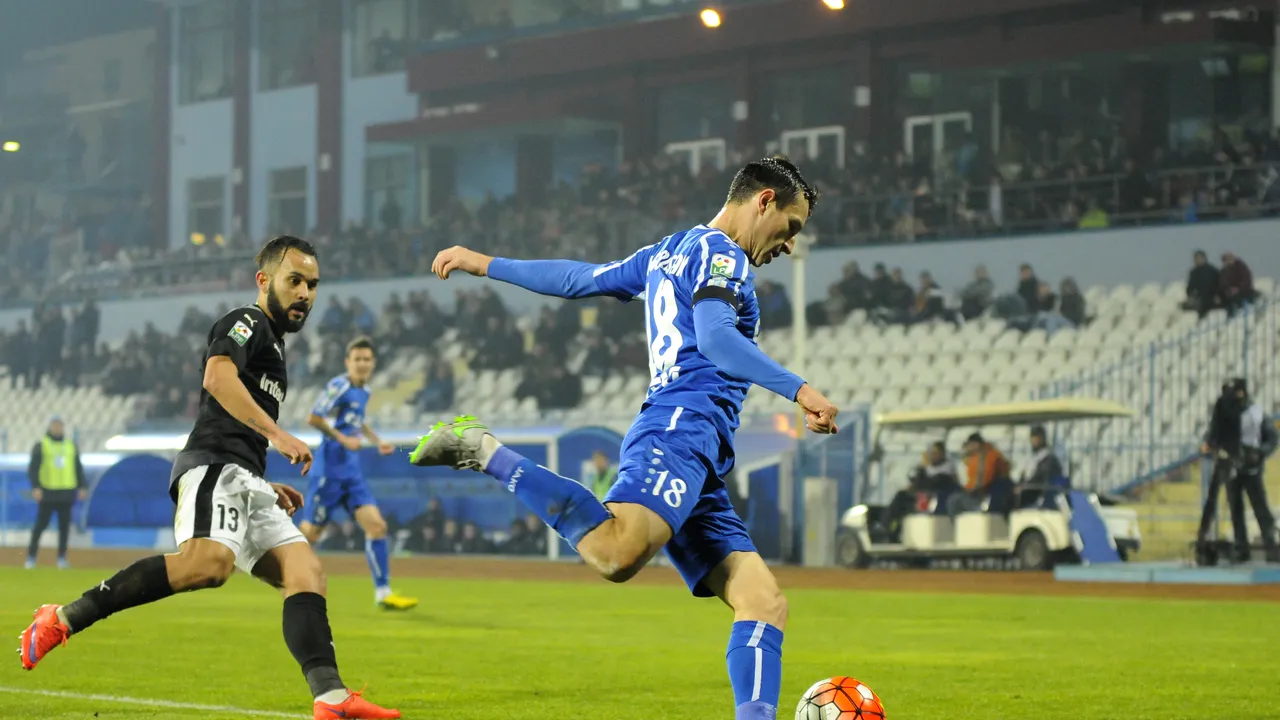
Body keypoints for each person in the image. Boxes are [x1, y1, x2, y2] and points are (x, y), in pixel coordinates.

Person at [410, 156, 839, 720]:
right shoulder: (721, 257)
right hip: (680, 426)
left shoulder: (669, 251)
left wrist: (483, 262)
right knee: (615, 554)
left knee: (763, 602)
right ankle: (483, 451)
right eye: (791, 227)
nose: (789, 245)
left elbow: (576, 279)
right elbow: (715, 340)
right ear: (764, 201)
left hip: (701, 451)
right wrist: (800, 389)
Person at [17, 236, 400, 720]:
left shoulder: (276, 349)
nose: (305, 292)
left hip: (246, 475)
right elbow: (218, 379)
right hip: (213, 466)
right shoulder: (247, 322)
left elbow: (242, 417)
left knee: (306, 573)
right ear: (264, 281)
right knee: (208, 565)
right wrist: (280, 436)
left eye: (313, 284)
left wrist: (263, 478)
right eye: (295, 280)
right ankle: (64, 617)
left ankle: (331, 698)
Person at [297, 336, 418, 611]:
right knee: (309, 535)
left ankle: (383, 593)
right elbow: (313, 417)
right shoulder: (339, 385)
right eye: (357, 359)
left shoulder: (365, 391)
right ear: (347, 362)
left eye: (367, 359)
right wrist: (342, 439)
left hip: (351, 473)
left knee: (377, 526)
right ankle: (275, 568)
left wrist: (377, 441)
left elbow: (357, 420)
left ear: (373, 363)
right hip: (328, 471)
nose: (362, 364)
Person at [1199, 378, 1279, 563]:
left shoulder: (1256, 413)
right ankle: (1241, 548)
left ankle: (1271, 547)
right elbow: (1214, 431)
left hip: (1251, 469)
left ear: (1242, 393)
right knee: (1236, 508)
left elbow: (1272, 438)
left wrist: (1260, 453)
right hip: (1230, 465)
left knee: (1260, 507)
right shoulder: (1224, 413)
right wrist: (1209, 444)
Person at [24, 417, 88, 570]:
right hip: (48, 491)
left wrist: (82, 486)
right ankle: (31, 557)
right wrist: (36, 487)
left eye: (60, 426)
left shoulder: (70, 446)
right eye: (55, 425)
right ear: (50, 427)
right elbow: (33, 468)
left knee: (64, 527)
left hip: (66, 492)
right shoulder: (42, 445)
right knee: (40, 526)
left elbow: (77, 467)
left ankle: (61, 558)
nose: (58, 428)